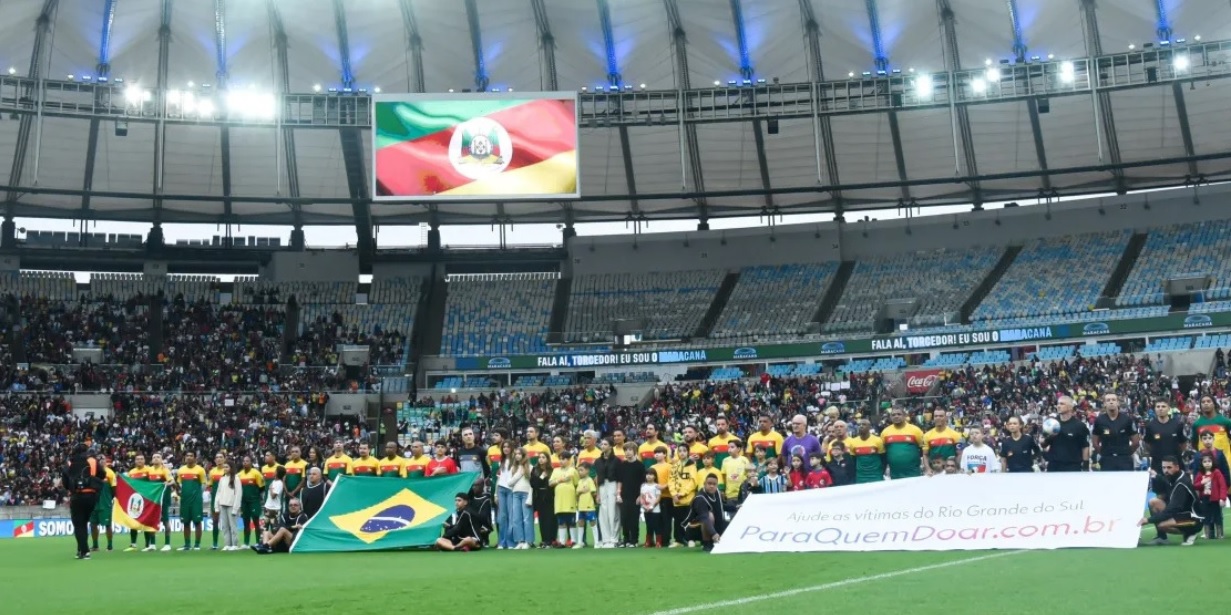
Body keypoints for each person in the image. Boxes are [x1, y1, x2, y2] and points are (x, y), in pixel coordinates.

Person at [1140, 456, 1202, 546]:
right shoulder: (1172, 476)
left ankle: (1190, 532)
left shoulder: (1181, 484)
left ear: (1177, 467)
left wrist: (1149, 520)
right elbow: (1165, 480)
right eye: (1164, 468)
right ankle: (1162, 538)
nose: (1166, 470)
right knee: (1153, 502)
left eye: (1169, 467)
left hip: (1193, 519)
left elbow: (1173, 509)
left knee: (1162, 525)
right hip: (1181, 514)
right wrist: (1156, 475)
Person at [65, 443, 104, 560]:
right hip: (91, 496)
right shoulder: (93, 461)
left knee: (79, 525)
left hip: (77, 496)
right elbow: (102, 474)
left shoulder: (69, 462)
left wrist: (71, 487)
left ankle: (84, 551)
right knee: (84, 523)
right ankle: (81, 549)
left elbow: (65, 480)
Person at [1092, 392, 1138, 471]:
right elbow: (1095, 443)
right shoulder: (1099, 421)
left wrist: (1125, 453)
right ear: (1104, 404)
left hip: (1125, 460)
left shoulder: (1127, 419)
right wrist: (1105, 453)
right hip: (1106, 460)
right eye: (1108, 400)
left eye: (1113, 400)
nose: (1111, 402)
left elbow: (1136, 442)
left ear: (1118, 403)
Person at [1044, 396, 1091, 472]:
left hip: (1072, 466)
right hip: (1054, 465)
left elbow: (1085, 446)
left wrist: (1085, 465)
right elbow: (1043, 444)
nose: (1058, 406)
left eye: (1062, 404)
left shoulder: (1079, 426)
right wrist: (1046, 438)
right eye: (1058, 404)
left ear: (1070, 407)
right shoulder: (1051, 423)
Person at [497, 446, 531, 549]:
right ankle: (519, 540)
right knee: (516, 519)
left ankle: (528, 541)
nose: (517, 456)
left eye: (519, 454)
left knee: (526, 518)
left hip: (525, 493)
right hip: (515, 492)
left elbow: (531, 483)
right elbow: (507, 481)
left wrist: (530, 496)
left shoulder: (529, 467)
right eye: (516, 454)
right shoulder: (513, 467)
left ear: (524, 455)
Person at [881, 407, 928, 478]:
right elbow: (883, 453)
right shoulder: (885, 432)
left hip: (913, 473)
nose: (896, 416)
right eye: (893, 415)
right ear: (890, 417)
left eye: (899, 414)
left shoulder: (916, 430)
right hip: (894, 475)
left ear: (904, 416)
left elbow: (924, 451)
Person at [175, 451, 208, 550]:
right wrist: (181, 493)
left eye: (191, 456)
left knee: (197, 522)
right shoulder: (181, 470)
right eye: (187, 456)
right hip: (185, 500)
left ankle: (197, 545)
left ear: (195, 458)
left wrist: (197, 494)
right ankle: (187, 545)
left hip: (196, 501)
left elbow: (204, 484)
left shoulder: (200, 470)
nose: (189, 457)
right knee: (185, 522)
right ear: (185, 458)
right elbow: (179, 485)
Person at [1143, 400, 1186, 474]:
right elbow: (1147, 444)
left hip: (1175, 463)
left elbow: (1183, 443)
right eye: (1158, 406)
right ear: (1155, 409)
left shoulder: (1178, 424)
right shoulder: (1150, 426)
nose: (1160, 409)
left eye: (1163, 406)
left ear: (1169, 408)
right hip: (1158, 464)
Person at [687, 474, 727, 552]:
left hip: (711, 525)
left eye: (714, 484)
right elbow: (704, 518)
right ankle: (707, 543)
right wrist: (714, 533)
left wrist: (736, 507)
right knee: (709, 516)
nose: (712, 486)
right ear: (704, 483)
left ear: (717, 485)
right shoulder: (700, 498)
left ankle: (714, 539)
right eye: (709, 483)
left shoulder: (717, 493)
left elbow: (722, 507)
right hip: (695, 528)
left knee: (730, 524)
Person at [593, 439, 620, 548]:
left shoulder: (617, 460)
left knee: (613, 512)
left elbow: (619, 477)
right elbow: (598, 477)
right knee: (603, 513)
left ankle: (614, 538)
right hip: (602, 486)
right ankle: (605, 539)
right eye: (602, 444)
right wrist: (598, 493)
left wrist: (618, 491)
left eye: (605, 444)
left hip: (613, 484)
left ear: (610, 446)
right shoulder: (598, 461)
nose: (603, 446)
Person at [550, 451, 580, 548]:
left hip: (570, 498)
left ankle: (573, 540)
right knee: (561, 521)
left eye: (564, 459)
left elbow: (576, 483)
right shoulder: (555, 470)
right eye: (560, 459)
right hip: (559, 499)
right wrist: (560, 480)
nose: (561, 461)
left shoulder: (572, 470)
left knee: (571, 521)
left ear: (569, 460)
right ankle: (562, 542)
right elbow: (550, 483)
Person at [123, 453, 153, 551]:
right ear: (135, 461)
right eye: (137, 459)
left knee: (146, 522)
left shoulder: (149, 470)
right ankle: (133, 544)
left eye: (141, 459)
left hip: (146, 499)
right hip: (135, 500)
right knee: (133, 521)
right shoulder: (131, 472)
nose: (139, 461)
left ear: (145, 461)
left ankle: (147, 545)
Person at [616, 442, 644, 547]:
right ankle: (626, 539)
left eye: (630, 450)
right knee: (624, 518)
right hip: (624, 495)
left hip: (635, 495)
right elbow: (620, 481)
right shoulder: (622, 465)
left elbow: (642, 482)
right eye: (626, 450)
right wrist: (618, 494)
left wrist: (640, 495)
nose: (627, 452)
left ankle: (634, 540)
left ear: (635, 451)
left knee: (634, 518)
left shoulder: (640, 466)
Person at [1194, 453, 1227, 539]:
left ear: (1213, 462)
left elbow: (1222, 485)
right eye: (1205, 462)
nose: (1207, 463)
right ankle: (1207, 534)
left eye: (1209, 461)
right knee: (1206, 516)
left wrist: (1222, 498)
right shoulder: (1200, 474)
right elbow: (1195, 485)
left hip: (1215, 499)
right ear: (1202, 463)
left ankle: (1220, 534)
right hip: (1205, 498)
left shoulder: (1216, 472)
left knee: (1217, 516)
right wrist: (1202, 482)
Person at [146, 453, 175, 551]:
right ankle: (152, 544)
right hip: (153, 500)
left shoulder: (164, 470)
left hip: (163, 499)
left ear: (162, 459)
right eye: (154, 457)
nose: (156, 459)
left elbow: (172, 481)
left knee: (165, 520)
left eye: (158, 457)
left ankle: (167, 544)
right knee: (152, 521)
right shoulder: (149, 470)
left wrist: (167, 483)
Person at [88, 455, 117, 552]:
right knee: (93, 524)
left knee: (108, 525)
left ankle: (110, 546)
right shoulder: (92, 472)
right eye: (99, 459)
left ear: (106, 461)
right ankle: (95, 545)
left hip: (105, 503)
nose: (101, 461)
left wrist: (108, 499)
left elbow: (114, 490)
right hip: (93, 503)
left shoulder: (110, 473)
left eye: (103, 459)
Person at [213, 460, 243, 551]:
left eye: (227, 467)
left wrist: (235, 508)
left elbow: (238, 494)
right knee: (225, 526)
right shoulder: (222, 479)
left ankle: (235, 544)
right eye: (224, 467)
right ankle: (227, 544)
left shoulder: (236, 479)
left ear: (231, 468)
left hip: (231, 505)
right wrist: (216, 506)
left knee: (233, 526)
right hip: (223, 505)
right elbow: (218, 493)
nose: (225, 469)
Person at [237, 455, 265, 547]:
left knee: (256, 521)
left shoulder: (256, 473)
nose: (245, 462)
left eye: (247, 461)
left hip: (254, 502)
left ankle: (258, 541)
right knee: (246, 522)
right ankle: (246, 542)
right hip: (244, 502)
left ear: (251, 462)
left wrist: (254, 496)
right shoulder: (239, 475)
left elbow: (262, 487)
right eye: (244, 461)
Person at [1192, 394, 1231, 461]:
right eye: (1203, 402)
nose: (1206, 404)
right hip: (1206, 464)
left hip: (1225, 462)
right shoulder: (1197, 424)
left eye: (1208, 401)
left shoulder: (1226, 422)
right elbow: (1195, 444)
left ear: (1214, 404)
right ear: (1200, 406)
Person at [530, 453, 557, 547]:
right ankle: (544, 540)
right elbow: (534, 484)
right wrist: (542, 476)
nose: (541, 459)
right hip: (540, 497)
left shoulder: (552, 470)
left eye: (543, 457)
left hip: (550, 496)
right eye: (539, 457)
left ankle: (552, 539)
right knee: (542, 519)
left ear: (547, 459)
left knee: (552, 519)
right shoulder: (535, 470)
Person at [207, 453, 228, 550]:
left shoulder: (228, 470)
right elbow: (210, 485)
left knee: (227, 522)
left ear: (225, 459)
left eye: (221, 457)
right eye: (217, 457)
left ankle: (229, 543)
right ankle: (215, 543)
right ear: (215, 460)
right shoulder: (212, 472)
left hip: (227, 499)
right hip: (215, 500)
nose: (219, 459)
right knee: (215, 521)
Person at [639, 469, 662, 548]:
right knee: (649, 526)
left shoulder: (656, 486)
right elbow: (642, 497)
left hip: (655, 510)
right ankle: (648, 541)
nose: (648, 476)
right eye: (647, 474)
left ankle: (658, 542)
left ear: (655, 476)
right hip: (646, 509)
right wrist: (644, 506)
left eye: (651, 474)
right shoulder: (643, 486)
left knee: (657, 526)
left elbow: (658, 498)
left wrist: (652, 506)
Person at [575, 463, 597, 547]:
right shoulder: (580, 481)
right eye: (578, 470)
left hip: (589, 505)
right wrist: (581, 491)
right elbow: (577, 492)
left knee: (593, 523)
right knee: (580, 523)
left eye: (581, 470)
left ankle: (596, 542)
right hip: (581, 506)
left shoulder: (590, 480)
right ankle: (580, 542)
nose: (579, 472)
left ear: (587, 471)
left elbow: (593, 491)